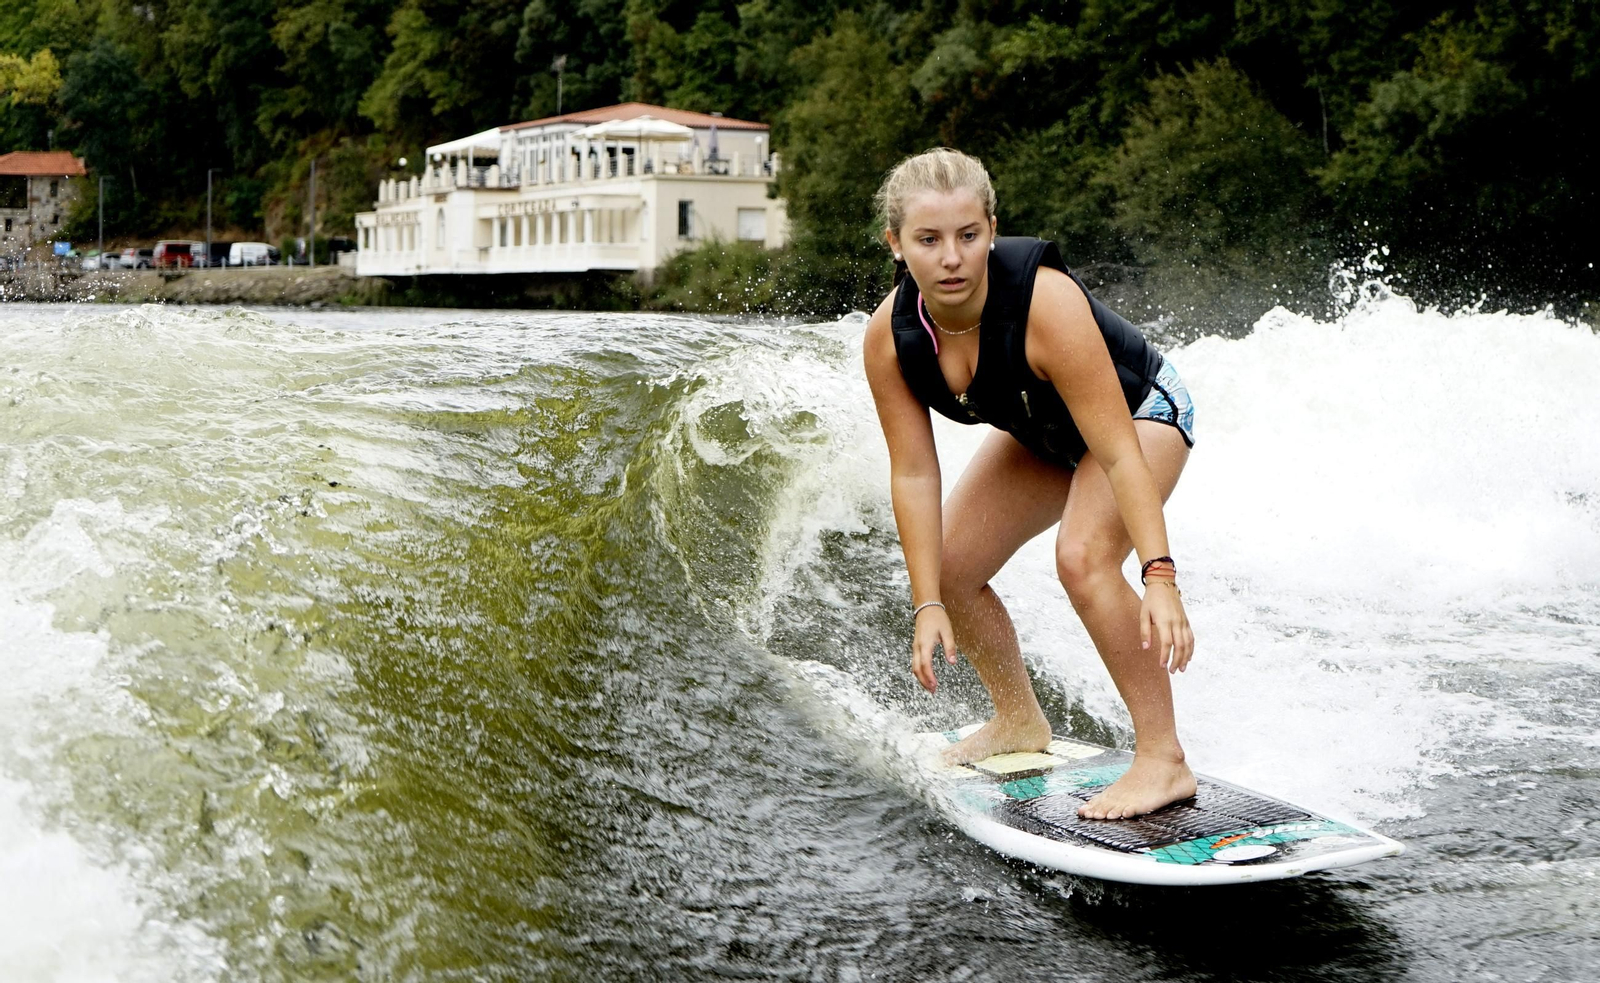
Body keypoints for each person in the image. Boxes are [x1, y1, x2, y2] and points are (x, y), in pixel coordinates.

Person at [862, 148, 1198, 820]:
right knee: (951, 566)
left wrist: (1159, 573)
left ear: (992, 228)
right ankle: (1018, 719)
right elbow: (914, 470)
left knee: (1083, 557)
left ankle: (1164, 758)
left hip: (1137, 416)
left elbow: (1119, 452)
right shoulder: (890, 338)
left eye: (968, 236)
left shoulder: (1045, 302)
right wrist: (927, 601)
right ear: (895, 244)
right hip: (1043, 432)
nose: (951, 257)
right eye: (928, 240)